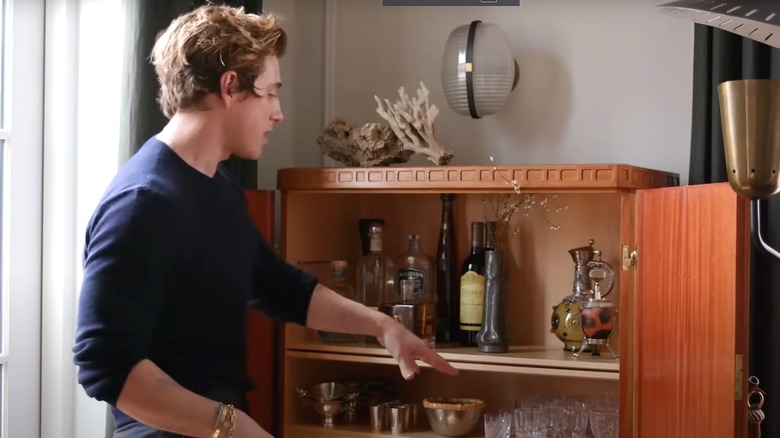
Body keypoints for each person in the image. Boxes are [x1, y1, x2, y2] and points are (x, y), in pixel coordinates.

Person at [72, 5, 458, 438]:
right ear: (231, 86)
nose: (278, 113)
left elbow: (276, 286)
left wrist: (382, 326)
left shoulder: (217, 186)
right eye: (271, 92)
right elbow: (104, 365)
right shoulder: (141, 204)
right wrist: (231, 425)